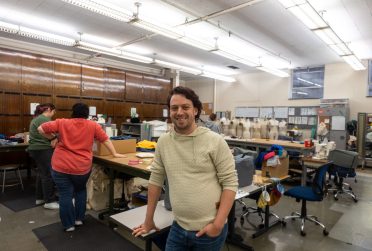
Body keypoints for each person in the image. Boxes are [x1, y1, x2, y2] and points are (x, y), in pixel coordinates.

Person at [132, 86, 238, 250]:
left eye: (185, 107)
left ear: (195, 110)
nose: (179, 112)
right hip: (179, 227)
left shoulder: (215, 141)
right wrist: (148, 220)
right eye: (174, 108)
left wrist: (217, 224)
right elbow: (155, 181)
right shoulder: (164, 142)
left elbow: (230, 183)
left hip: (208, 230)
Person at [38, 103, 126, 232]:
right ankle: (79, 219)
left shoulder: (62, 122)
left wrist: (53, 137)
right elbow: (105, 139)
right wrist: (114, 153)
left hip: (61, 166)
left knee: (65, 195)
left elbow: (40, 129)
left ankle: (68, 225)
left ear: (73, 112)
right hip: (81, 167)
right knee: (80, 191)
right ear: (87, 114)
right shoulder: (93, 125)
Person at [27, 103, 59, 210]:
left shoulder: (36, 119)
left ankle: (40, 198)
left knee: (42, 174)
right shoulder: (44, 119)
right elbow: (54, 134)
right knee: (48, 175)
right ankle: (49, 201)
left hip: (36, 149)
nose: (53, 115)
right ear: (49, 109)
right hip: (43, 149)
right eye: (54, 112)